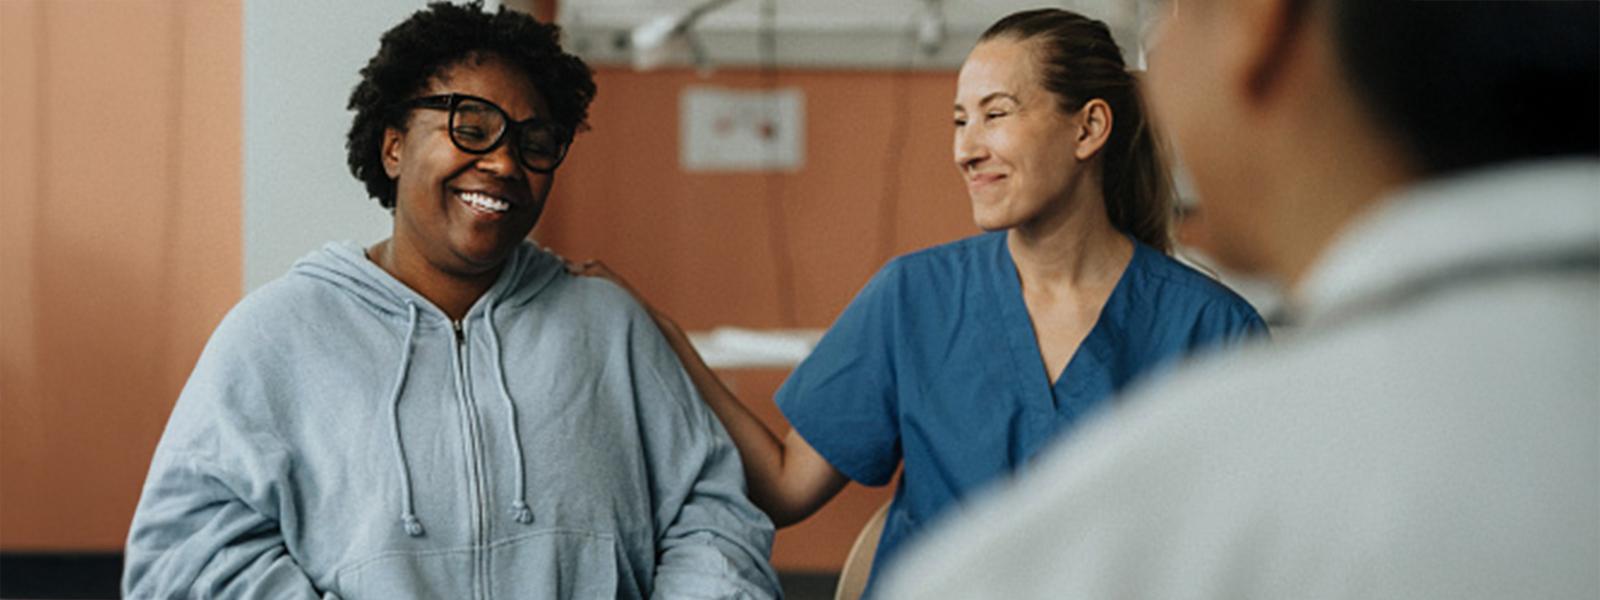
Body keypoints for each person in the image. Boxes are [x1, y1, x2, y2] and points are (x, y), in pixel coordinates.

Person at [875, 1, 1599, 598]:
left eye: (1171, 13)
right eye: (960, 120)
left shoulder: (1148, 535)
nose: (967, 148)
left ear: (1258, 24)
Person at [578, 8, 1266, 593]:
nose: (967, 149)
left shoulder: (1212, 330)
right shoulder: (915, 297)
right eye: (959, 120)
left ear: (1088, 129)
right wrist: (656, 330)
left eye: (996, 115)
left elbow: (1246, 551)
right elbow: (784, 487)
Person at [122, 3, 779, 598]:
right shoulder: (275, 336)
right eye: (472, 126)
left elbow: (713, 514)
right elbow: (189, 559)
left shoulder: (607, 326)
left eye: (534, 142)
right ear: (394, 145)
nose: (504, 163)